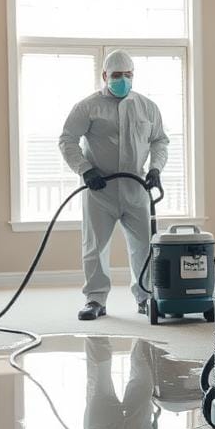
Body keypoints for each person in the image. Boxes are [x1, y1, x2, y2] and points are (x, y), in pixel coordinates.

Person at [59, 50, 169, 320]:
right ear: (105, 76)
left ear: (134, 76)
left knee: (144, 245)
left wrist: (156, 168)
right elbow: (67, 140)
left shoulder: (147, 107)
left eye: (127, 75)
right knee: (95, 246)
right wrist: (85, 170)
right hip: (100, 189)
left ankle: (145, 296)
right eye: (117, 75)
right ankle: (95, 299)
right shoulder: (88, 106)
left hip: (136, 187)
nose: (122, 80)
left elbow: (160, 141)